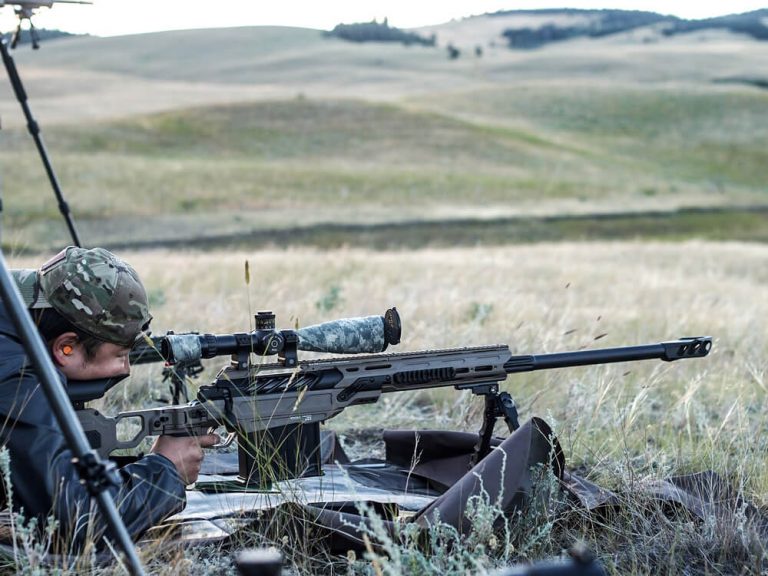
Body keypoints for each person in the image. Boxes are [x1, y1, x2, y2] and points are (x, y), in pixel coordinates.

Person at [0, 246, 218, 549]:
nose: (125, 370)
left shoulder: (14, 305)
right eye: (120, 355)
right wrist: (165, 470)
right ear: (67, 348)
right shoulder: (14, 376)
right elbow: (77, 522)